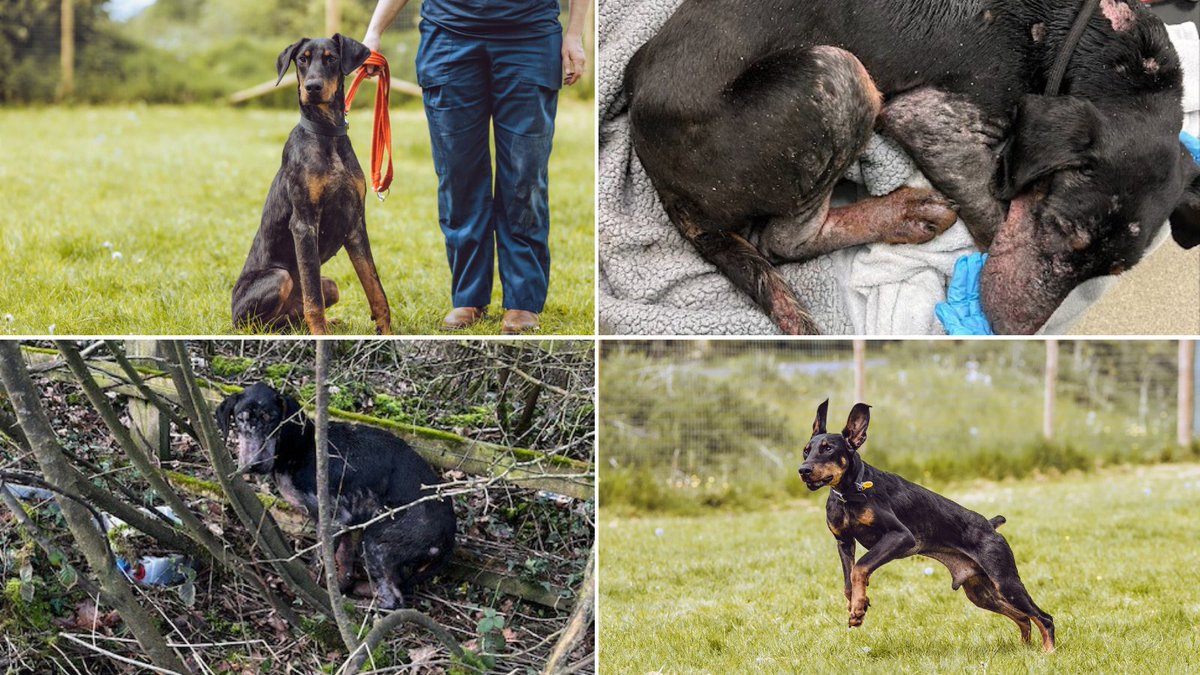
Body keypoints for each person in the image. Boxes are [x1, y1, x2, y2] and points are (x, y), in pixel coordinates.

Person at [362, 0, 590, 334]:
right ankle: (468, 297)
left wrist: (574, 34)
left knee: (525, 178)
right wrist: (373, 32)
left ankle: (522, 302)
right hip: (449, 38)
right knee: (458, 176)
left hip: (529, 37)